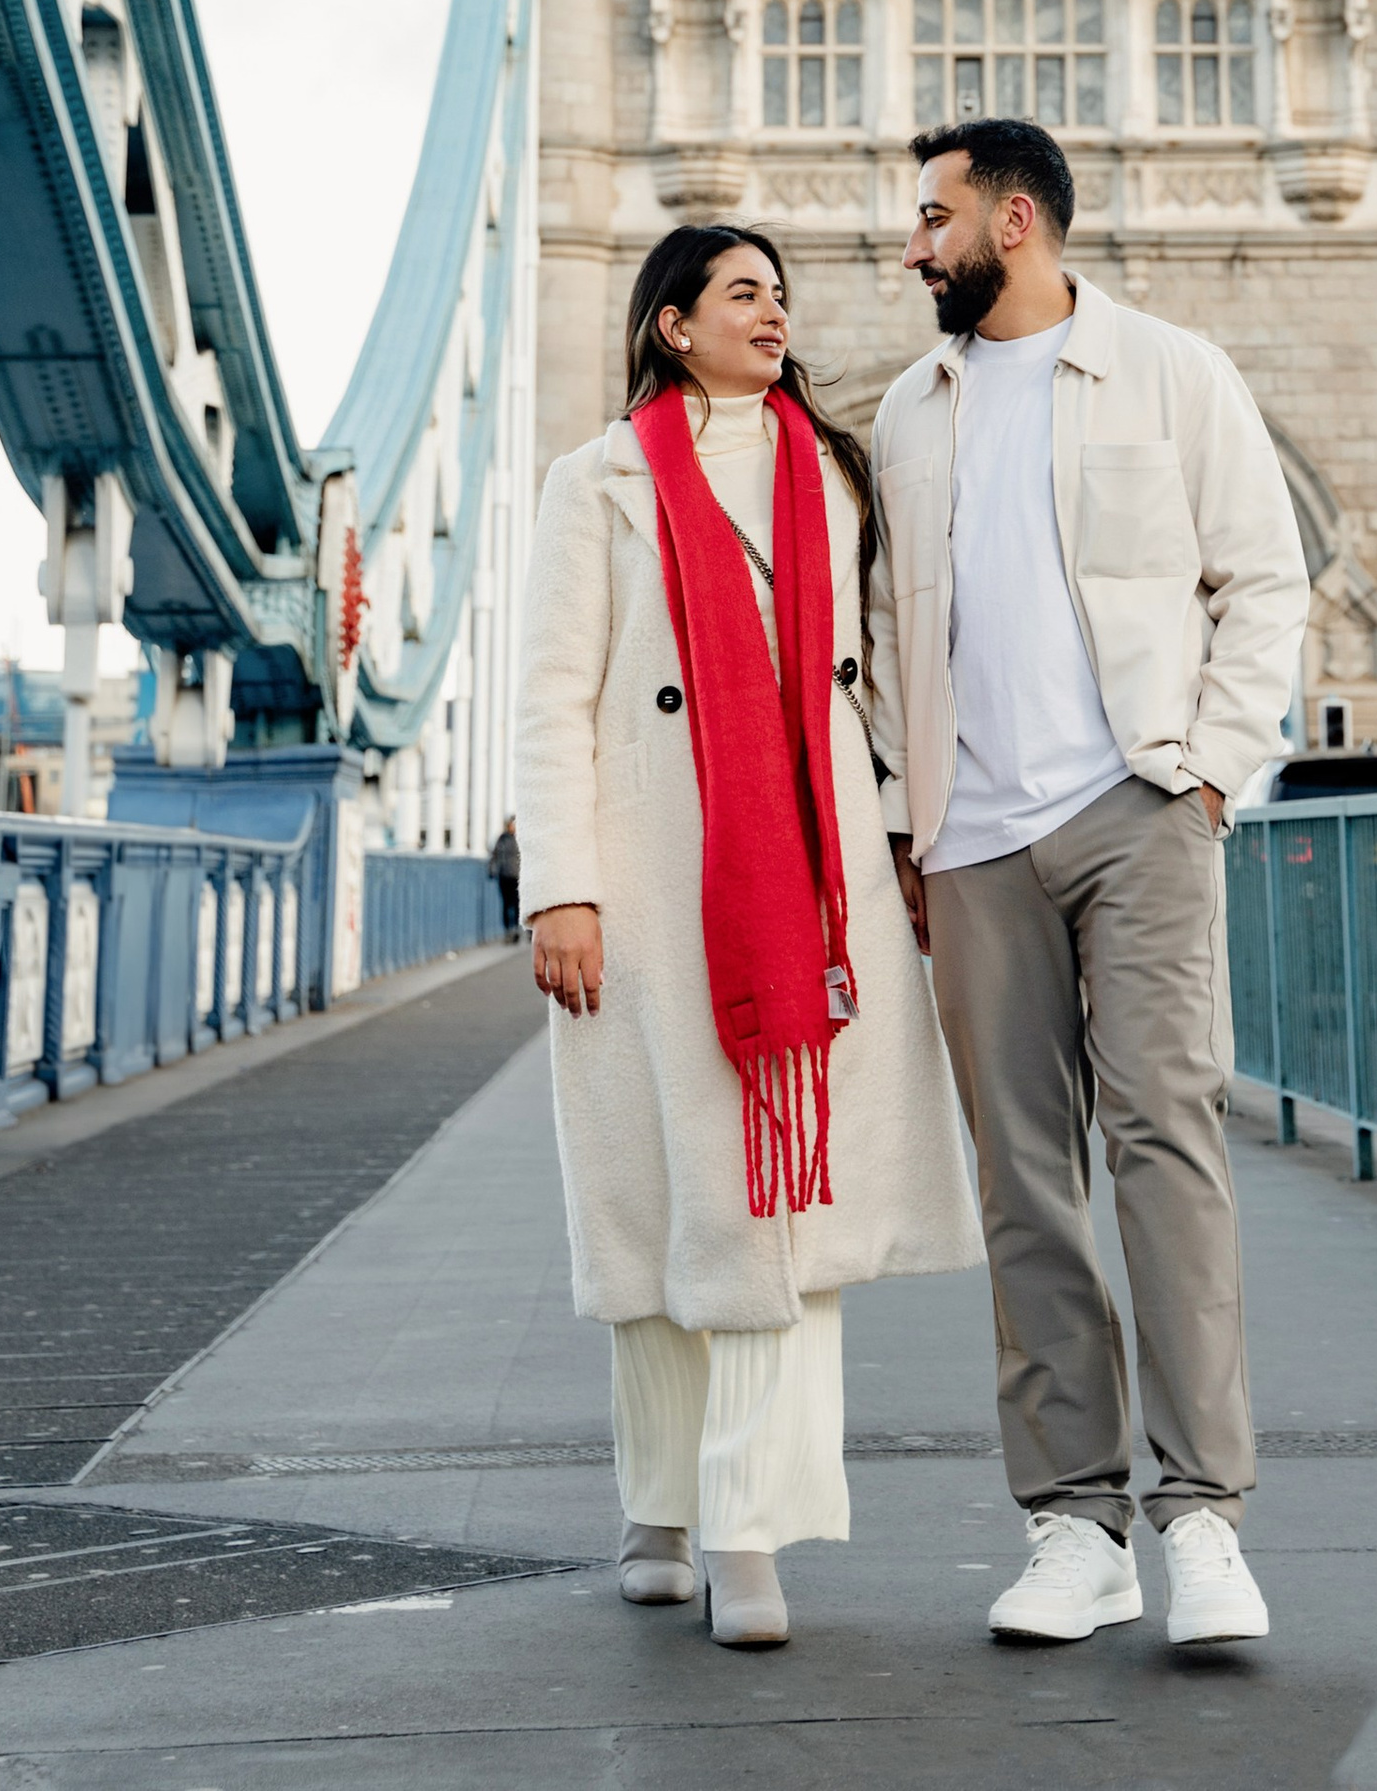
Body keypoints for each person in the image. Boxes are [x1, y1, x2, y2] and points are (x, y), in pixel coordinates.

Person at [867, 120, 1309, 1652]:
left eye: (931, 218)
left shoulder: (1173, 370)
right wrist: (899, 813)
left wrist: (1205, 771)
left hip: (1137, 808)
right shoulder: (904, 413)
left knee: (1167, 1148)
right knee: (1024, 1185)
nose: (911, 246)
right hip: (972, 839)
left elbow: (1264, 576)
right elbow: (880, 643)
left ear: (1016, 216)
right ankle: (1074, 1520)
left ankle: (1204, 1518)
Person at [517, 224, 980, 1649]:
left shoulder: (833, 472)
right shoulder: (594, 479)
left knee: (781, 1206)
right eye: (741, 292)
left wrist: (908, 836)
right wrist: (562, 885)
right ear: (672, 323)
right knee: (663, 1203)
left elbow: (888, 673)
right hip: (654, 881)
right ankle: (660, 1500)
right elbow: (553, 695)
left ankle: (749, 1526)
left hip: (814, 874)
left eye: (782, 294)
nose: (773, 312)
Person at [489, 814, 522, 942]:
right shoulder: (502, 839)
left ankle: (515, 929)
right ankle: (508, 930)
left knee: (516, 904)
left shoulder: (520, 838)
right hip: (504, 876)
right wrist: (492, 870)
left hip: (518, 877)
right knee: (506, 904)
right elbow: (495, 855)